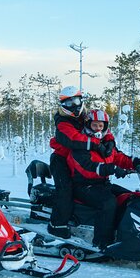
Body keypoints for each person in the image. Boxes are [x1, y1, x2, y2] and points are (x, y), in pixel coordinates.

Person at [68, 109, 140, 250]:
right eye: (95, 125)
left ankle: (124, 234)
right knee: (108, 202)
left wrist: (137, 162)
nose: (98, 128)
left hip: (102, 184)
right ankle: (102, 243)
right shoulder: (80, 144)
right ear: (88, 125)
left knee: (129, 198)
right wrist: (111, 169)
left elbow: (118, 157)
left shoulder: (105, 144)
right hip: (83, 186)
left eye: (101, 126)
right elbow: (87, 167)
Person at [47, 86, 91, 239]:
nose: (74, 105)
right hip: (61, 160)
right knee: (65, 189)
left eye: (76, 100)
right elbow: (74, 140)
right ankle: (57, 225)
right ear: (63, 105)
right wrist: (95, 143)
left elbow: (101, 127)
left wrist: (109, 144)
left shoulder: (85, 117)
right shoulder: (62, 120)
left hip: (78, 160)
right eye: (69, 103)